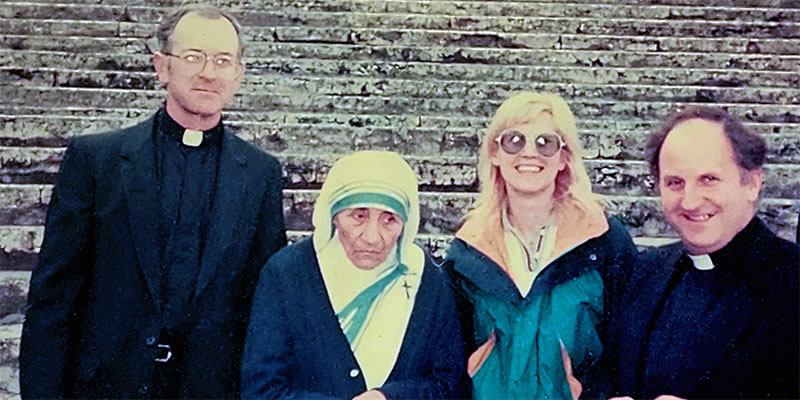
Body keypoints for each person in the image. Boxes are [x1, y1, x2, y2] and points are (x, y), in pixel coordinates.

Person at [19, 5, 286, 399]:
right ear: (161, 66)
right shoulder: (98, 162)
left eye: (222, 61)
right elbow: (53, 301)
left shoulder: (261, 175)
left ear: (238, 74)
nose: (208, 73)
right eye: (193, 57)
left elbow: (263, 303)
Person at [443, 92, 638, 399]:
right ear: (494, 153)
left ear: (563, 158)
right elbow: (451, 356)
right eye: (514, 141)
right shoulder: (467, 254)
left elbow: (628, 342)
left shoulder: (604, 242)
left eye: (545, 143)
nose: (529, 153)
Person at [241, 151, 470, 399]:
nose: (372, 237)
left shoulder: (424, 278)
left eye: (389, 219)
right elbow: (262, 389)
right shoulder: (287, 273)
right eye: (358, 216)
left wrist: (390, 397)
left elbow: (449, 383)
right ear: (335, 216)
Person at [606, 106, 800, 399]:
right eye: (675, 183)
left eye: (708, 179)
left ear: (752, 183)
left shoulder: (793, 281)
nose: (690, 201)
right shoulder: (643, 271)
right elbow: (606, 374)